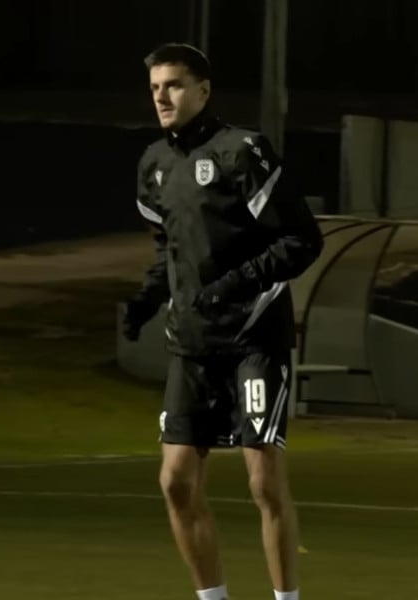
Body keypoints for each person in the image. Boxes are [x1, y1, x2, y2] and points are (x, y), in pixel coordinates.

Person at [121, 43, 324, 600]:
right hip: (191, 344)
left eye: (174, 84)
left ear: (204, 90)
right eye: (155, 87)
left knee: (263, 482)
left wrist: (232, 286)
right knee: (175, 483)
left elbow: (302, 240)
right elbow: (170, 250)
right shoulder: (154, 164)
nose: (162, 96)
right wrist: (145, 299)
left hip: (253, 337)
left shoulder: (243, 151)